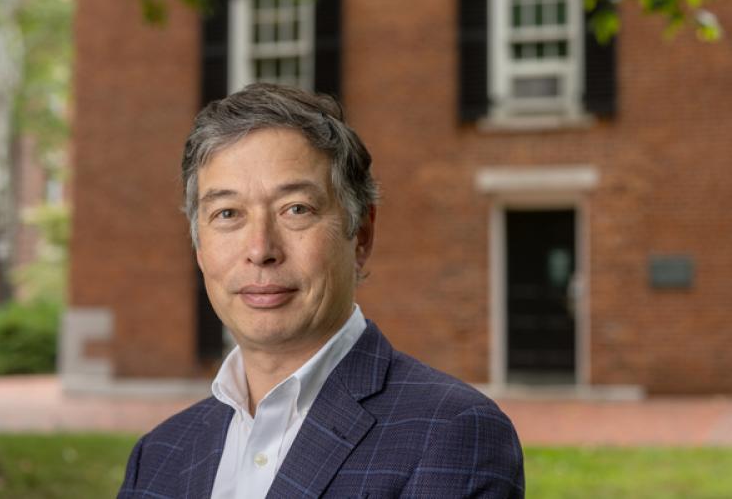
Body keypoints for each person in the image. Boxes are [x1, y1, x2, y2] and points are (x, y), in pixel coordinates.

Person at [118, 83, 524, 499]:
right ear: (199, 247)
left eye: (296, 209)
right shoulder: (157, 456)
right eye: (227, 213)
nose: (260, 250)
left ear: (361, 235)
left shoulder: (452, 435)